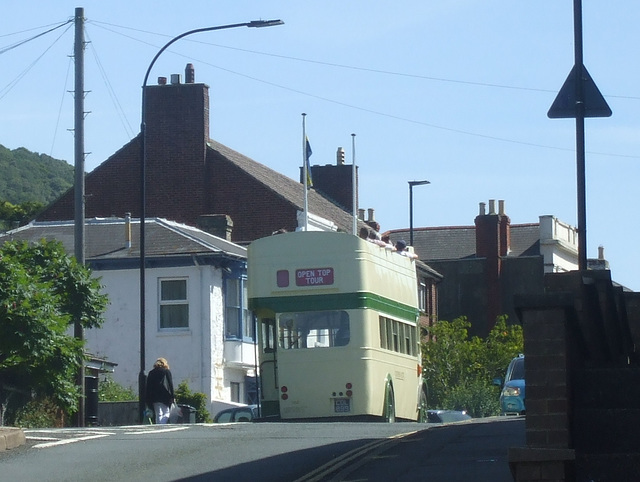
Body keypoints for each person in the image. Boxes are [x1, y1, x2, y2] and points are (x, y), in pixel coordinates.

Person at [146, 357, 175, 424]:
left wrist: (147, 398)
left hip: (154, 396)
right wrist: (172, 396)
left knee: (158, 413)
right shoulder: (166, 372)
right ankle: (162, 424)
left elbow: (148, 386)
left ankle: (158, 426)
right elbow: (170, 384)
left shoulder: (151, 372)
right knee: (167, 412)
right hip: (165, 395)